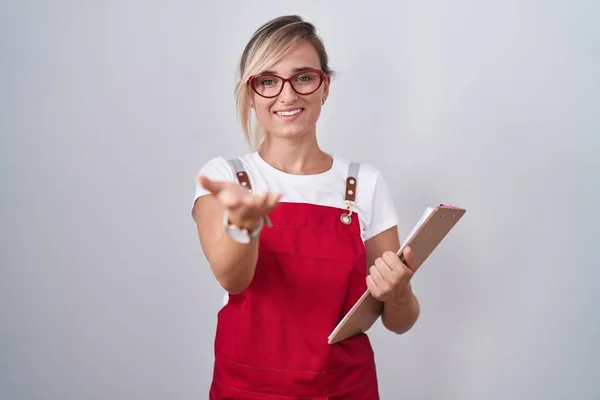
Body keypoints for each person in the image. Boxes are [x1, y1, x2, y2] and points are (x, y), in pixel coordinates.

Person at [192, 15, 420, 400]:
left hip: (344, 389)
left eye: (303, 77)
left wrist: (398, 294)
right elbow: (232, 280)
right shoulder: (227, 178)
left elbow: (399, 322)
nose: (286, 95)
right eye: (267, 81)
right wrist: (244, 226)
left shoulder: (364, 184)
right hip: (248, 391)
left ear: (324, 86)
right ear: (250, 94)